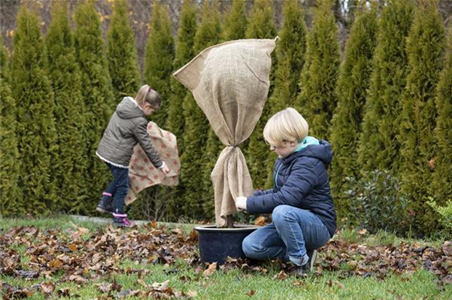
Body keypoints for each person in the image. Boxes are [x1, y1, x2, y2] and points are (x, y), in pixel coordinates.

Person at [235, 107, 336, 275]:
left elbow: (286, 198)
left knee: (282, 212)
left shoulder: (308, 163)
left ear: (290, 142)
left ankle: (301, 264)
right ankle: (304, 255)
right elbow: (279, 191)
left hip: (318, 225)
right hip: (291, 223)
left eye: (275, 145)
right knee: (251, 246)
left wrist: (250, 204)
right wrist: (252, 196)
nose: (272, 149)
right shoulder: (286, 158)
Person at [96, 85, 170, 227]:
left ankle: (105, 202)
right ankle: (119, 218)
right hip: (118, 157)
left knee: (120, 179)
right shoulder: (139, 121)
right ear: (147, 105)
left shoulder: (124, 106)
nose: (151, 114)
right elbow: (146, 145)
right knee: (123, 187)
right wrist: (160, 164)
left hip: (105, 151)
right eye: (152, 111)